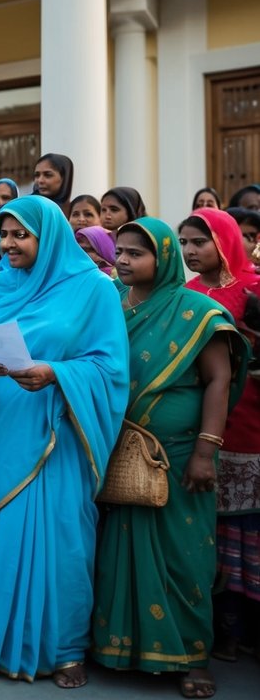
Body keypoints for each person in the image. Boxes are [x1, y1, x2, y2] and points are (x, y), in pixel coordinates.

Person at [0, 195, 128, 688]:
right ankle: (2, 646)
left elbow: (111, 367)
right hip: (5, 425)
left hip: (60, 429)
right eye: (5, 234)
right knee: (8, 536)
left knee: (65, 539)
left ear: (50, 235)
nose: (9, 244)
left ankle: (65, 649)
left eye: (21, 235)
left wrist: (56, 373)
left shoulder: (93, 289)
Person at [92, 218, 247, 699]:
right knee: (120, 549)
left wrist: (206, 450)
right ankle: (124, 647)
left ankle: (191, 657)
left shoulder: (196, 312)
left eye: (136, 253)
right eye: (119, 251)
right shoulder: (110, 307)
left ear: (161, 259)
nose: (123, 260)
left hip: (182, 455)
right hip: (119, 450)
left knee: (184, 554)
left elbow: (219, 380)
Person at [178, 208, 260, 661]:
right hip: (202, 427)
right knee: (215, 529)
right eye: (185, 243)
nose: (190, 251)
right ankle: (224, 628)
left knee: (249, 527)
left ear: (225, 240)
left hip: (251, 424)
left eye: (200, 242)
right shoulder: (183, 294)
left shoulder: (253, 289)